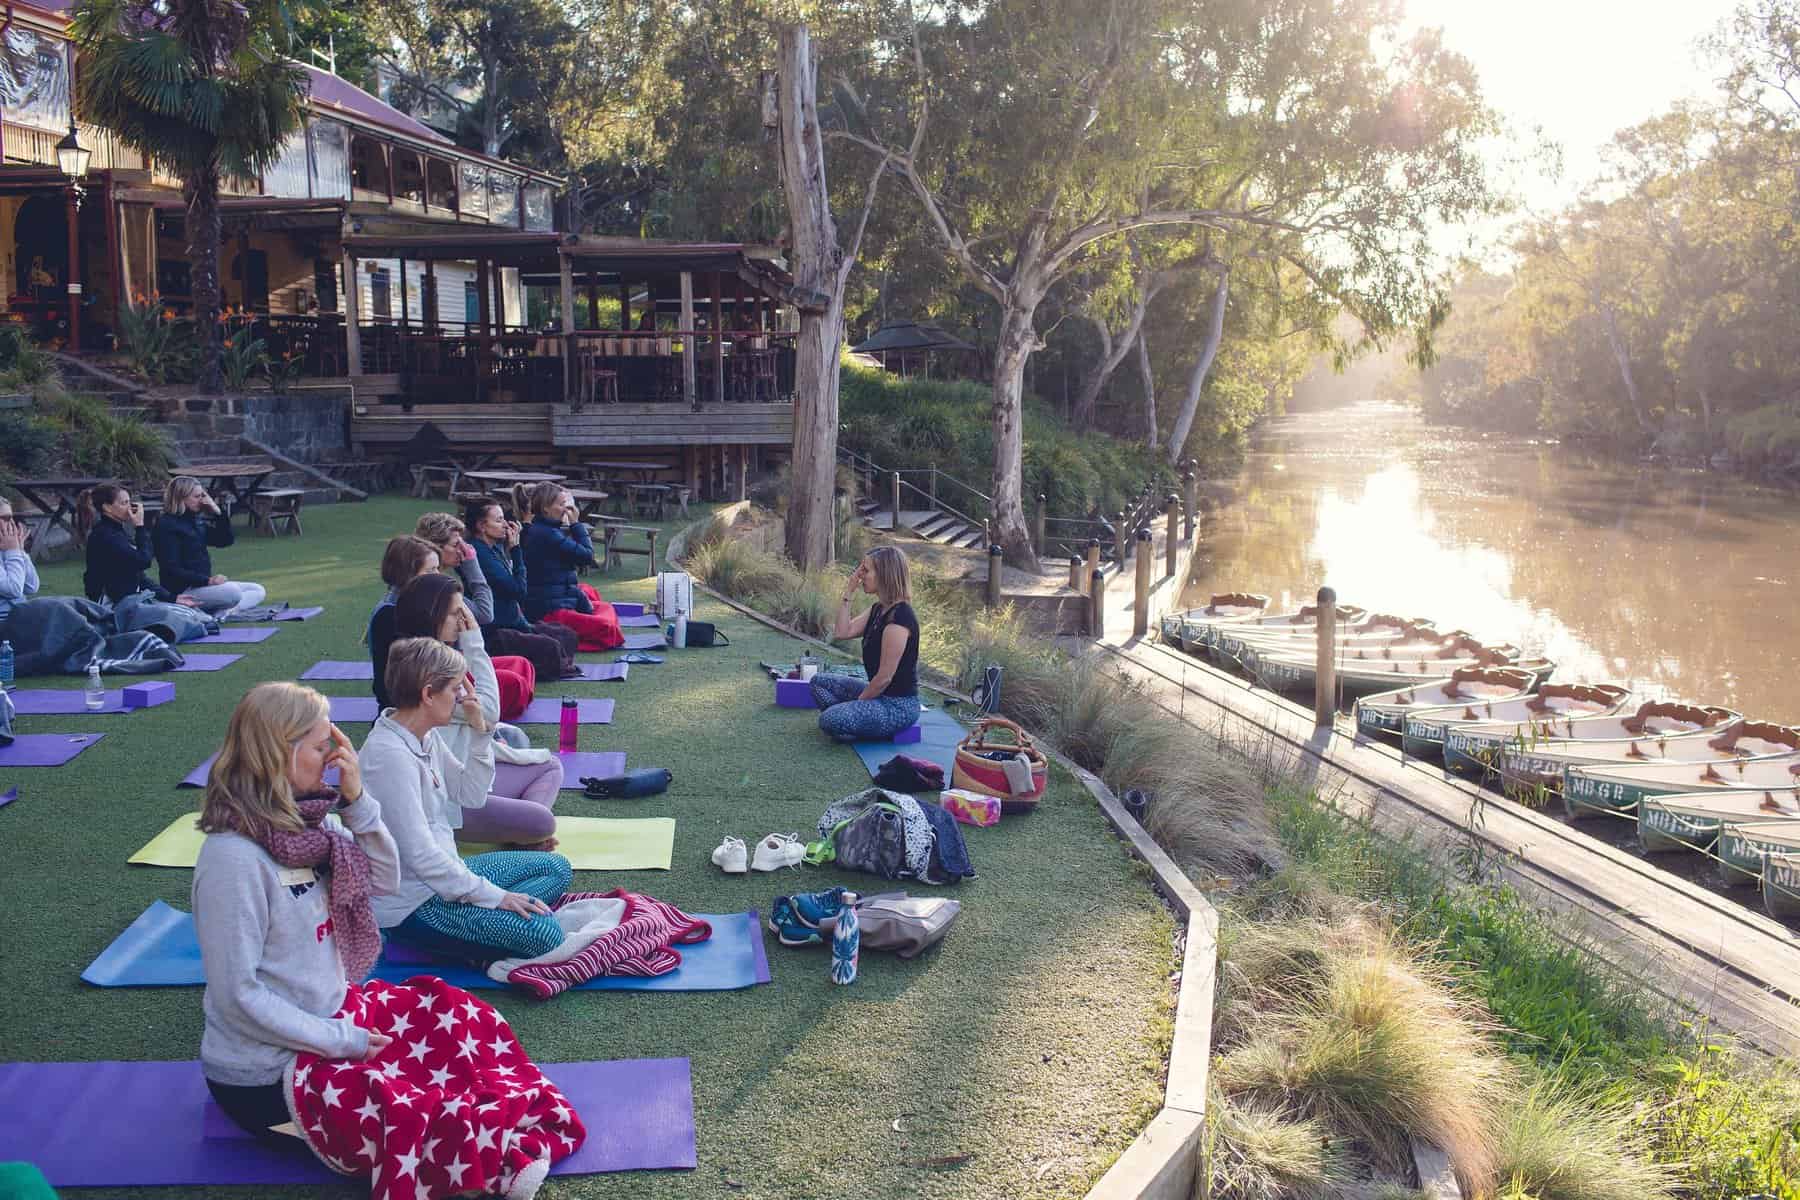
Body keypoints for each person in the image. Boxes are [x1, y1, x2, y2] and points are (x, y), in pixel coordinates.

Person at [193, 680, 582, 1194]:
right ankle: (491, 1153)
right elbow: (238, 997)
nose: (333, 756)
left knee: (453, 1013)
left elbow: (383, 881)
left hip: (332, 1019)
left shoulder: (310, 828)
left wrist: (356, 802)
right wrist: (344, 1042)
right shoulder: (233, 860)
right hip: (270, 1080)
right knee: (408, 1104)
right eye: (319, 746)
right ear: (277, 755)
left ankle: (490, 1121)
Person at [360, 637, 573, 964]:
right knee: (546, 936)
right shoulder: (388, 757)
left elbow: (470, 794)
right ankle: (436, 939)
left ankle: (486, 921)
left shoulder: (423, 735)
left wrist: (480, 733)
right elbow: (420, 855)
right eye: (455, 688)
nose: (463, 696)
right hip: (416, 906)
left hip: (449, 877)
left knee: (556, 868)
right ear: (428, 694)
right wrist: (496, 897)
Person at [391, 572, 561, 849]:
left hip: (464, 774)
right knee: (542, 820)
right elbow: (490, 711)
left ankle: (521, 835)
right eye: (456, 613)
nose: (463, 619)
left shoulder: (431, 654)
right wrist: (474, 641)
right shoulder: (424, 667)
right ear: (432, 615)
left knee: (527, 748)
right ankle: (524, 835)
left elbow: (483, 719)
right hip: (452, 802)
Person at [813, 544, 922, 741]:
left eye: (866, 570)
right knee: (817, 682)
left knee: (828, 720)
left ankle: (848, 721)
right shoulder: (877, 609)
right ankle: (854, 721)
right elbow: (841, 631)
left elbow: (884, 678)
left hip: (897, 705)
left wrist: (857, 704)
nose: (861, 574)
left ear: (884, 575)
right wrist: (849, 592)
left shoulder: (900, 618)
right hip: (876, 695)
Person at [464, 499, 579, 679]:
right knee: (551, 646)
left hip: (515, 621)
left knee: (566, 634)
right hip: (497, 630)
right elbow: (517, 590)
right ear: (481, 526)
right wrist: (516, 550)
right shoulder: (480, 553)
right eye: (499, 520)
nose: (505, 524)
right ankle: (538, 668)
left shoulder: (494, 548)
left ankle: (552, 665)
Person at [515, 483, 623, 651]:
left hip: (558, 600)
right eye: (561, 504)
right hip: (549, 611)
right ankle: (563, 641)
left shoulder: (547, 530)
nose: (566, 509)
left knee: (606, 608)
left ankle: (567, 636)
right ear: (545, 509)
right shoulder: (547, 534)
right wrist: (576, 524)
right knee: (607, 629)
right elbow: (587, 556)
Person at [153, 476, 267, 615]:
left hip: (203, 586)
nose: (202, 500)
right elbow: (171, 568)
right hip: (183, 590)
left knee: (257, 590)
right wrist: (208, 580)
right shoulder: (166, 525)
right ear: (181, 498)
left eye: (202, 495)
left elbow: (225, 541)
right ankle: (215, 609)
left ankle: (226, 611)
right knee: (233, 592)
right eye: (197, 496)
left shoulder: (195, 521)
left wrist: (218, 513)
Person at [79, 483, 185, 605]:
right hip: (112, 607)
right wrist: (139, 527)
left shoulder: (116, 532)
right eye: (124, 503)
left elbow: (138, 576)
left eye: (130, 502)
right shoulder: (106, 536)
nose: (130, 508)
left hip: (130, 600)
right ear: (107, 507)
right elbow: (144, 561)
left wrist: (171, 598)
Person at [366, 534, 438, 705]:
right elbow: (391, 686)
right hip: (405, 711)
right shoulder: (389, 615)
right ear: (407, 574)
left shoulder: (419, 603)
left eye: (438, 568)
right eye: (430, 571)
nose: (437, 576)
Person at [0, 500, 40, 622]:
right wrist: (13, 552)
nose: (12, 523)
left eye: (12, 517)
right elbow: (14, 589)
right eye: (6, 518)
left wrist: (21, 552)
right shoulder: (9, 549)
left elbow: (31, 586)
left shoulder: (5, 548)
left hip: (17, 620)